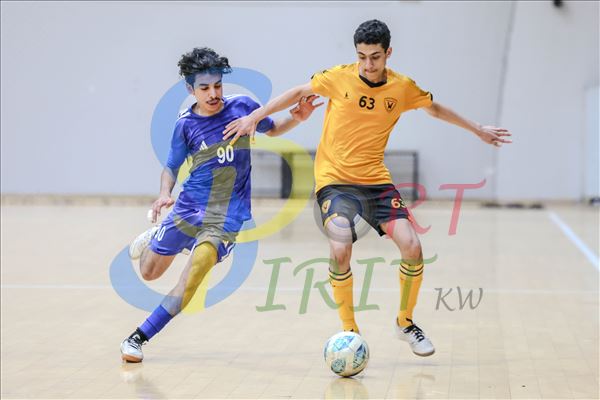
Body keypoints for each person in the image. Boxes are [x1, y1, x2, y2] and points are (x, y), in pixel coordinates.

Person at [223, 19, 512, 357]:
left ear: (388, 53)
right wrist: (255, 117)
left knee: (412, 246)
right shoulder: (338, 77)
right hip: (334, 181)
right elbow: (299, 92)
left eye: (375, 57)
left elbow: (434, 108)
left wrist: (477, 129)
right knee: (340, 249)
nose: (368, 64)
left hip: (375, 181)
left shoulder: (402, 88)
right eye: (361, 57)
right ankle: (350, 330)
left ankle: (405, 323)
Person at [120, 47, 321, 362]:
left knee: (195, 273)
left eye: (217, 85)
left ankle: (138, 337)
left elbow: (273, 129)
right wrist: (164, 193)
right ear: (191, 89)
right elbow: (171, 166)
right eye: (204, 88)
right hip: (188, 207)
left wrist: (296, 118)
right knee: (149, 272)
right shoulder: (185, 125)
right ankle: (158, 236)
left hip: (226, 215)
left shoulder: (243, 107)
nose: (213, 94)